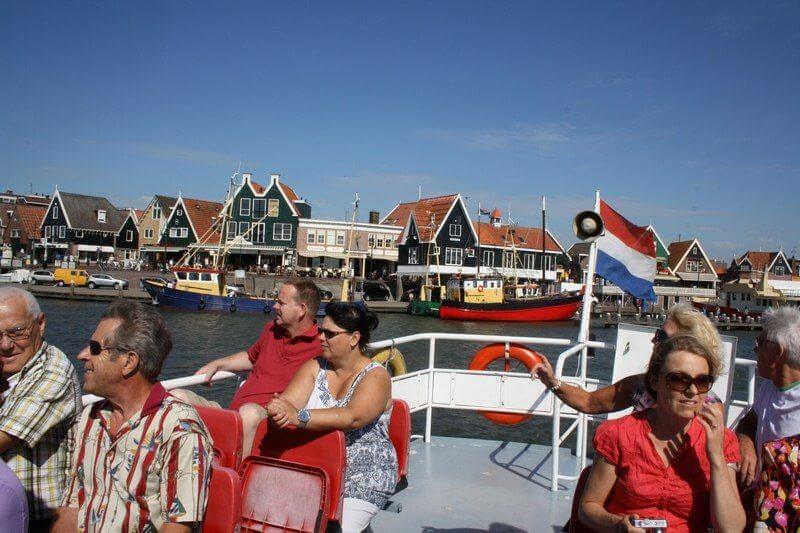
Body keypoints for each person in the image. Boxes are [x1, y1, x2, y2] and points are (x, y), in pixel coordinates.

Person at [52, 301, 213, 532]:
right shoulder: (91, 417)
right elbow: (72, 506)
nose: (82, 355)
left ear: (128, 362)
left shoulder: (180, 430)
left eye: (95, 348)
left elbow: (178, 526)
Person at [579, 334, 745, 532]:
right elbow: (588, 507)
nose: (692, 390)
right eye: (679, 380)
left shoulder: (722, 440)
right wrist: (618, 525)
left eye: (702, 381)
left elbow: (731, 529)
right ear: (654, 382)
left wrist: (716, 456)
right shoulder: (619, 434)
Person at [266, 302, 397, 533]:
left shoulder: (376, 376)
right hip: (315, 467)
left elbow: (352, 417)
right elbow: (289, 403)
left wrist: (297, 416)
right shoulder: (314, 367)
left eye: (329, 333)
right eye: (321, 331)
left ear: (354, 338)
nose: (320, 338)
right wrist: (279, 410)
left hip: (363, 475)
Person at [172, 278, 322, 454]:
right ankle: (182, 466)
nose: (274, 306)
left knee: (249, 413)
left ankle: (238, 470)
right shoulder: (271, 329)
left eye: (281, 303)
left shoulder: (322, 346)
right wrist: (217, 364)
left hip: (266, 425)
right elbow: (251, 358)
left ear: (302, 309)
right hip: (233, 416)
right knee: (176, 397)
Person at [532, 303, 721, 414]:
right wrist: (552, 381)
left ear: (687, 344)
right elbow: (590, 402)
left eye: (661, 335)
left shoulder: (709, 407)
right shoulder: (643, 385)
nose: (653, 339)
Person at [0, 286, 81, 530]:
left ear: (41, 323)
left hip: (37, 520)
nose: (5, 345)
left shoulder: (53, 372)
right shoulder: (8, 368)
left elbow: (4, 437)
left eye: (17, 332)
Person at [736, 307, 800, 526]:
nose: (755, 348)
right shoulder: (770, 386)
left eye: (760, 342)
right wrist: (746, 445)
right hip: (763, 502)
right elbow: (749, 421)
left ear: (778, 351)